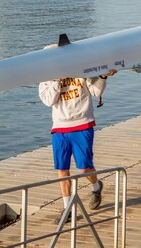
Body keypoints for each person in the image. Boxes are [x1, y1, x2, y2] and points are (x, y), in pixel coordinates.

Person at [38, 68, 116, 220]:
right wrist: (57, 79)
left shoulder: (82, 68)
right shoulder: (46, 76)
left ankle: (96, 186)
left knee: (84, 167)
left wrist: (102, 76)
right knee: (62, 169)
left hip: (82, 124)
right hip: (60, 127)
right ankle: (68, 209)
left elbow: (96, 92)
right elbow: (49, 101)